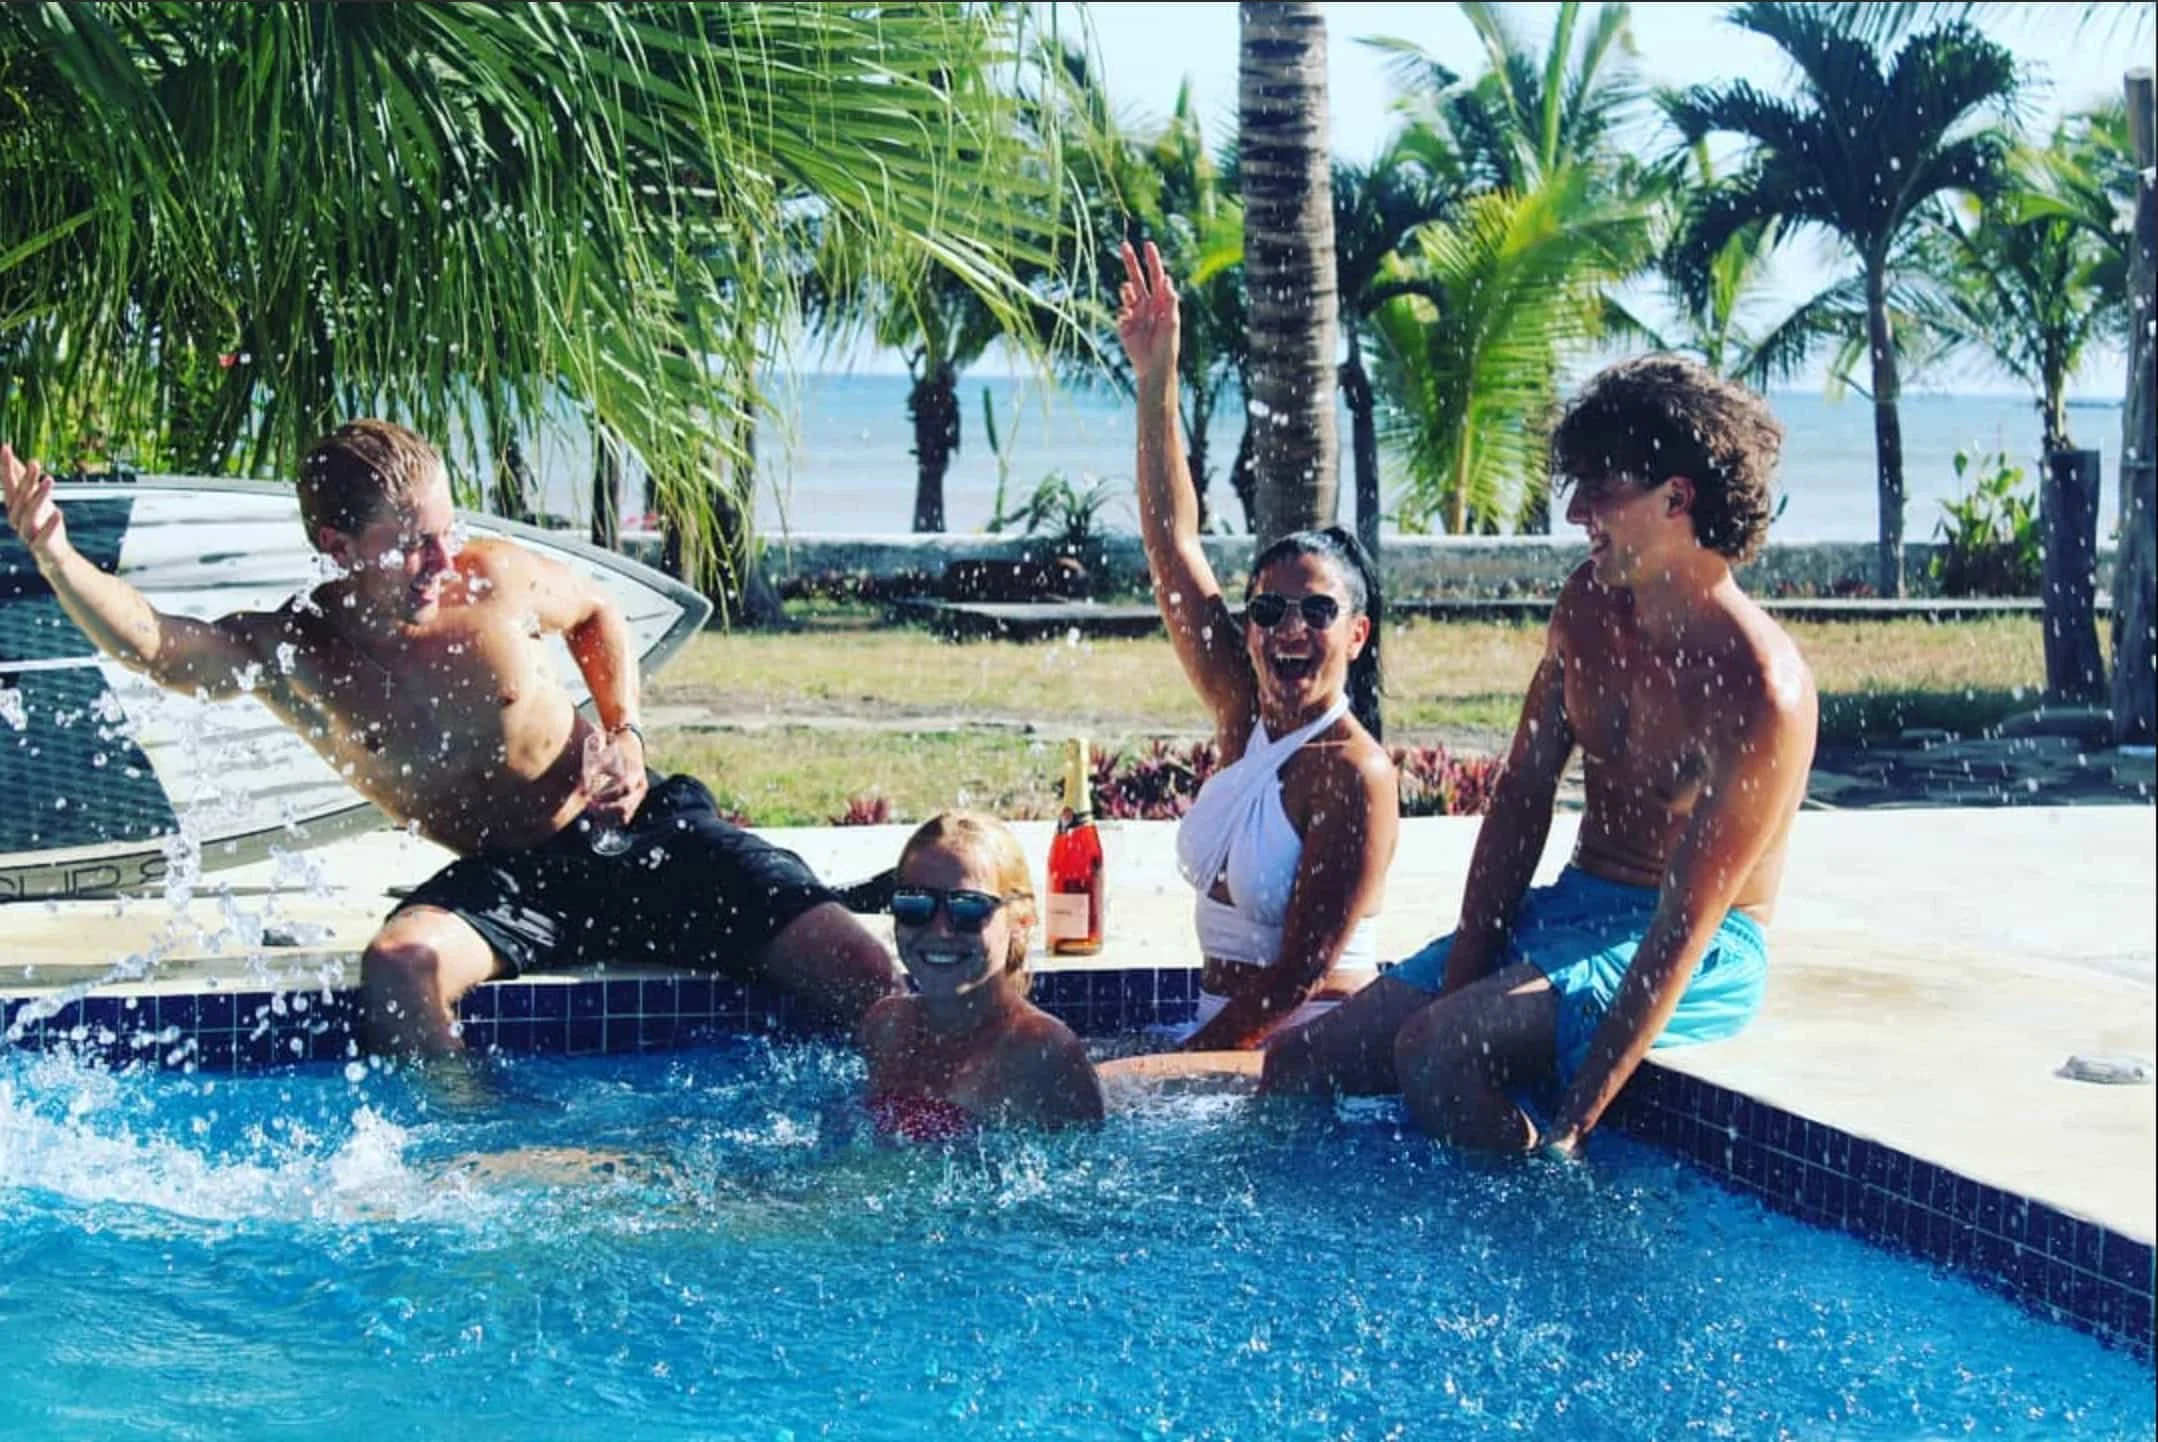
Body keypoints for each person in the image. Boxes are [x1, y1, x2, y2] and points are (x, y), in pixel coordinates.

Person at [1, 424, 897, 1058]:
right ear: (337, 543)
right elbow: (161, 648)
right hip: (513, 882)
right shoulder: (298, 653)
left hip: (637, 834)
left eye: (447, 532)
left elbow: (596, 611)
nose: (445, 560)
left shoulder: (495, 582)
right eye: (414, 545)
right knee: (398, 969)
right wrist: (57, 559)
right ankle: (464, 1149)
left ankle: (918, 1098)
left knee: (859, 967)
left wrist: (622, 732)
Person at [1261, 354, 1818, 1159]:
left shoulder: (1763, 690)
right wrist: (1461, 971)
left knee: (1436, 1054)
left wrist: (1572, 1129)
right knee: (1296, 1066)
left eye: (1601, 488)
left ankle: (1542, 1228)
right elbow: (1522, 798)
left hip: (1701, 946)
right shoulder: (1588, 605)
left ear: (1677, 497)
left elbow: (1684, 928)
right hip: (1569, 910)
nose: (1576, 511)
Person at [1114, 239, 1399, 1052]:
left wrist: (1164, 1074)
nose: (1290, 629)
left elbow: (1295, 980)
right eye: (1269, 610)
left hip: (1311, 1054)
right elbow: (1174, 543)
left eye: (1317, 609)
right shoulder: (1243, 715)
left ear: (1357, 631)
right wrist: (1155, 378)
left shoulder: (1357, 775)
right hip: (1224, 1037)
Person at [860, 812, 1104, 1137]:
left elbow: (1086, 1177)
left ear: (1021, 918)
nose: (940, 930)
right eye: (914, 904)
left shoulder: (1043, 1052)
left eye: (968, 908)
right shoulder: (886, 1027)